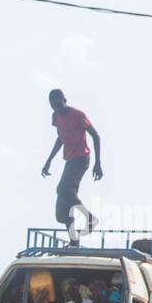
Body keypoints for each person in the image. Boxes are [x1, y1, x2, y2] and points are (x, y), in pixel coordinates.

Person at [41, 88, 103, 244]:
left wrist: (98, 163)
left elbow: (95, 136)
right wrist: (48, 161)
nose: (57, 107)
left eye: (58, 103)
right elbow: (60, 139)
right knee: (63, 205)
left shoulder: (77, 115)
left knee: (62, 189)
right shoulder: (56, 117)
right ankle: (74, 239)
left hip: (81, 158)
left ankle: (90, 219)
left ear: (64, 100)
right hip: (69, 160)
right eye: (53, 105)